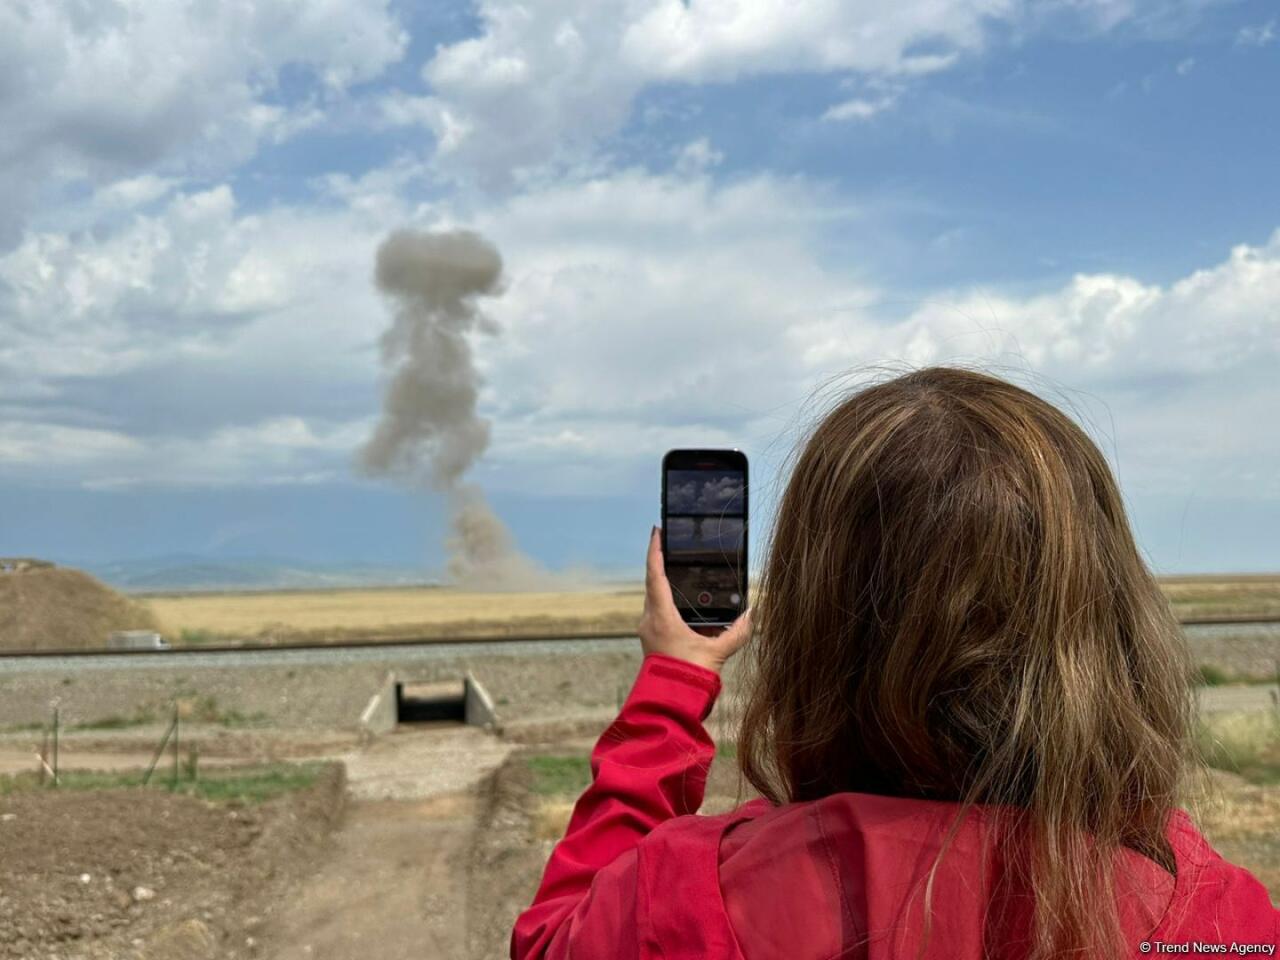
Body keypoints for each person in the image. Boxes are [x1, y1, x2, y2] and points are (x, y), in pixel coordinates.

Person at [510, 367, 1278, 960]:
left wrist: (674, 683)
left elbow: (551, 938)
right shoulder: (1214, 917)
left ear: (817, 631)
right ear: (1109, 621)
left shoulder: (683, 891)